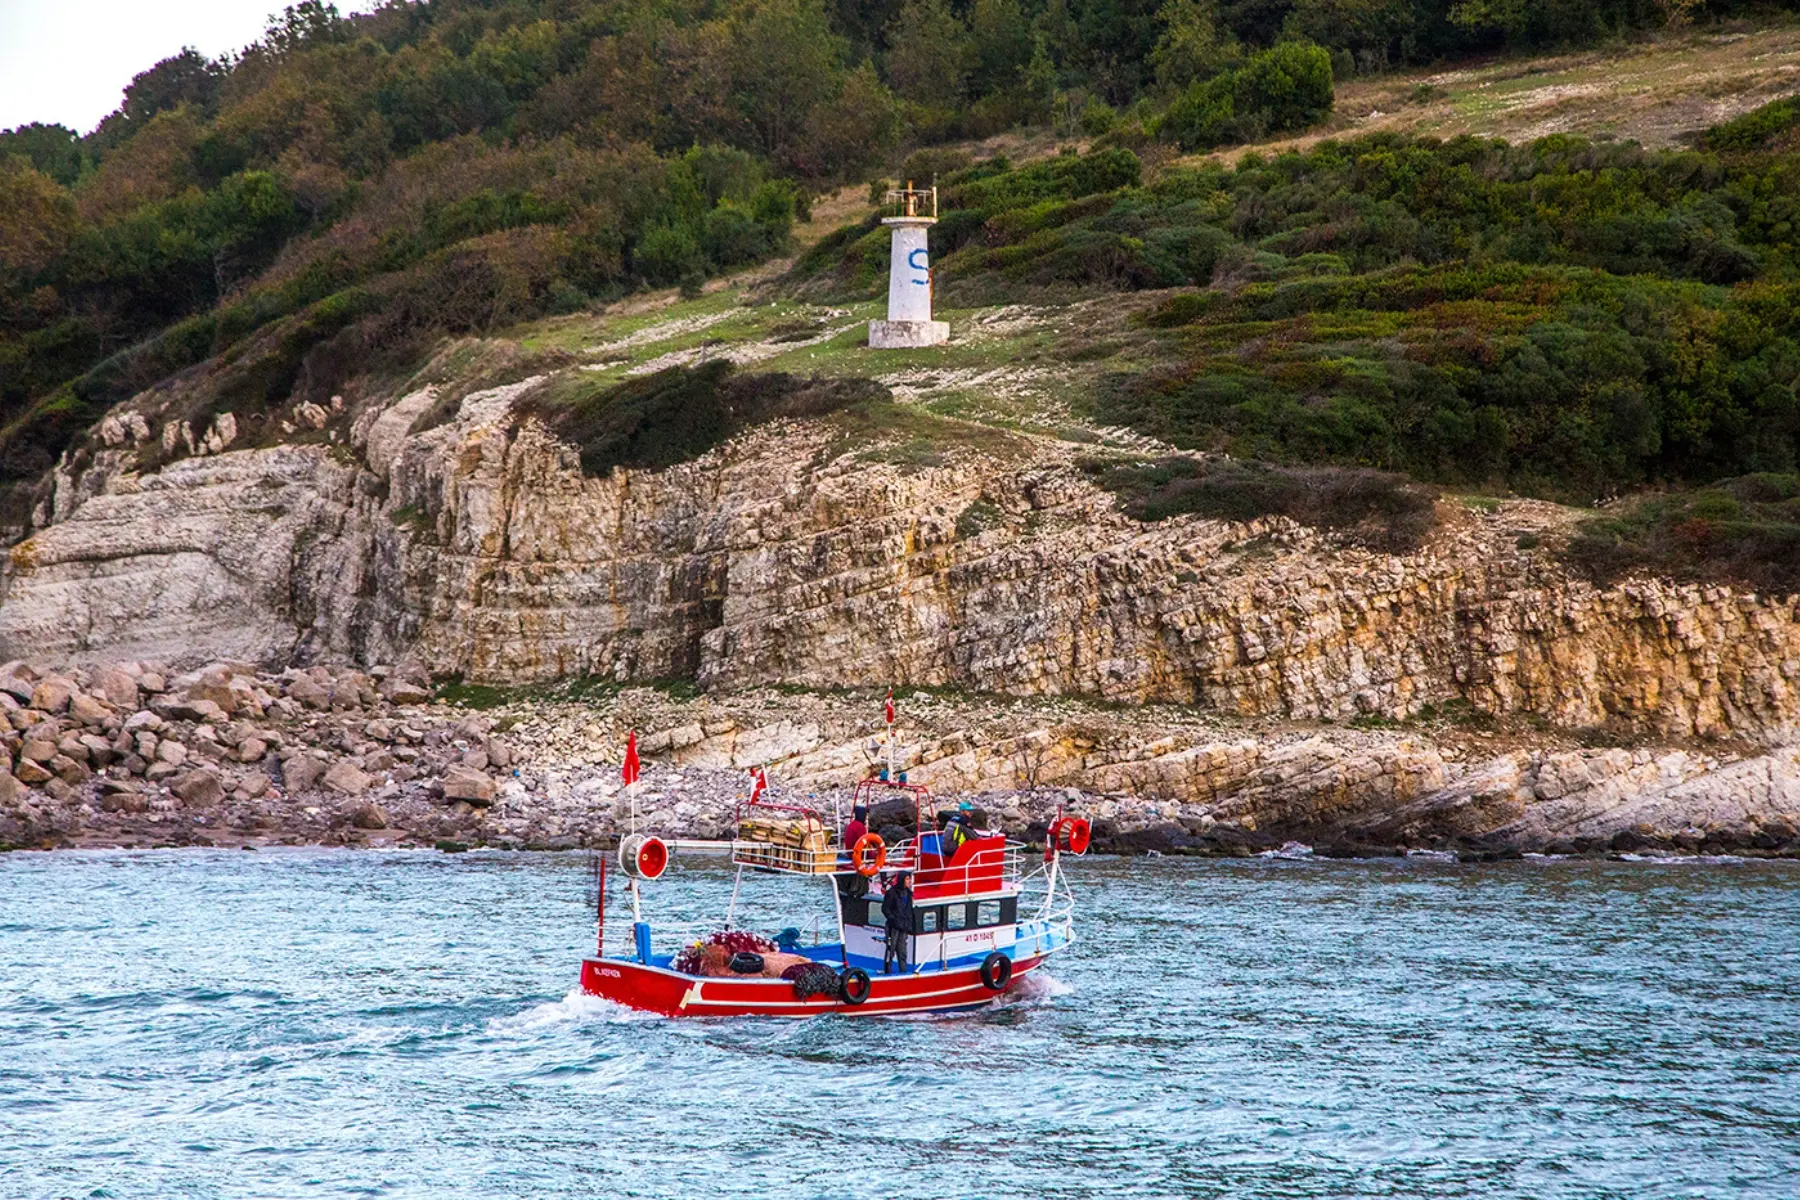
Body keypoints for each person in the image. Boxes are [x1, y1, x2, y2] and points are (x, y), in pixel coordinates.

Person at [880, 871, 913, 974]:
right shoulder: (891, 893)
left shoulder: (908, 893)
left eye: (909, 879)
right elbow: (885, 908)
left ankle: (903, 972)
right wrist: (893, 919)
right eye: (907, 879)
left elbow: (909, 910)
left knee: (902, 952)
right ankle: (887, 972)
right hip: (893, 927)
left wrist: (908, 923)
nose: (909, 881)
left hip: (903, 927)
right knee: (890, 951)